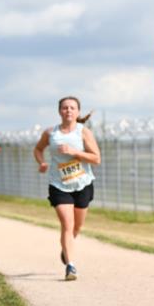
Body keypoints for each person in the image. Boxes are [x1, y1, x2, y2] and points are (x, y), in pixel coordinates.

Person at [32, 97, 100, 281]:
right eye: (65, 108)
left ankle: (66, 249)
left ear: (78, 112)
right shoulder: (51, 133)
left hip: (83, 184)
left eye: (72, 108)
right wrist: (42, 162)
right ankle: (70, 266)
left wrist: (74, 152)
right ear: (59, 111)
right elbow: (38, 149)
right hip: (59, 184)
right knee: (67, 225)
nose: (68, 110)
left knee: (77, 227)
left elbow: (96, 158)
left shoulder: (83, 132)